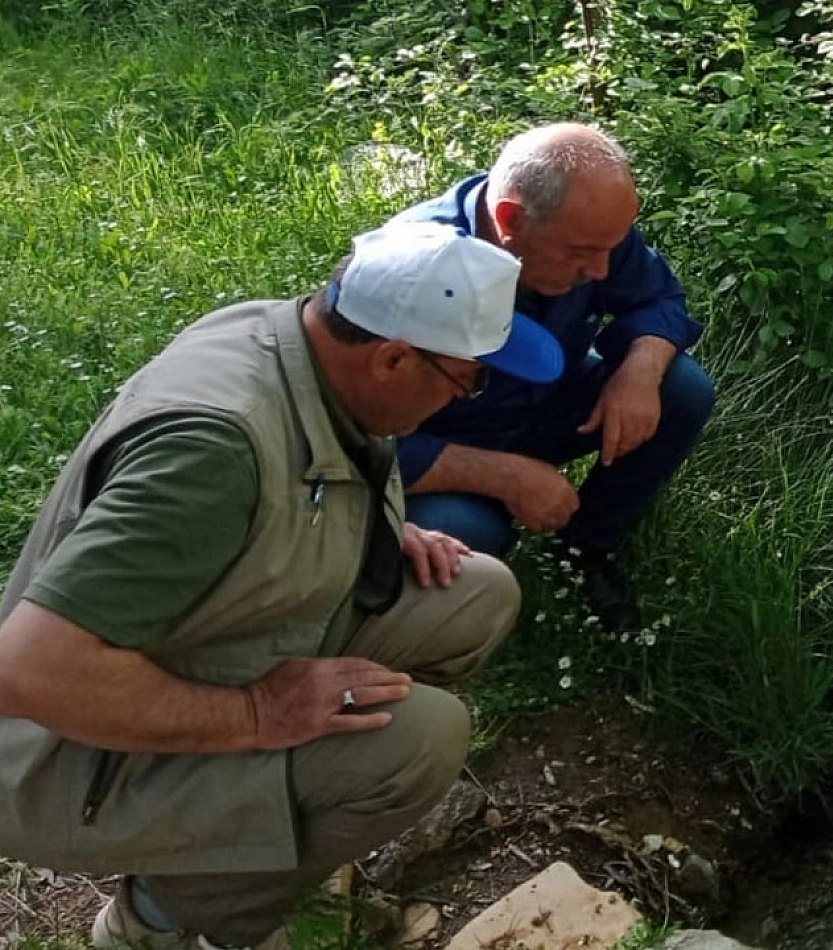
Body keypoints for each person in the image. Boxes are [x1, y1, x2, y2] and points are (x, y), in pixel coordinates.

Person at [0, 222, 563, 950]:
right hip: (69, 757)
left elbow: (301, 483)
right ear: (393, 358)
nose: (465, 398)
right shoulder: (211, 452)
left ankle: (269, 821)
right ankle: (163, 917)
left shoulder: (308, 344)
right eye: (469, 378)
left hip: (209, 641)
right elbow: (29, 672)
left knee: (478, 594)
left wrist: (376, 523)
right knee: (420, 739)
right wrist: (262, 716)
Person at [389, 122, 716, 632]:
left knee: (683, 388)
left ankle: (587, 547)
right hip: (444, 445)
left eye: (614, 247)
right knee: (461, 534)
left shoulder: (586, 226)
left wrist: (639, 371)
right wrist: (505, 476)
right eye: (581, 253)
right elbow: (359, 446)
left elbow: (658, 299)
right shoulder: (410, 276)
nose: (603, 270)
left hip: (547, 402)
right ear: (510, 219)